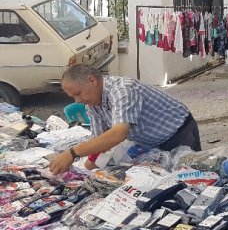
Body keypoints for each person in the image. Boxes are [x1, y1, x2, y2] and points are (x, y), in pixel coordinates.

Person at [49, 65, 201, 174]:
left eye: (78, 93)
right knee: (166, 177)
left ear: (92, 80)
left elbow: (118, 134)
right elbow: (100, 141)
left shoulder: (123, 89)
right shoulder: (93, 104)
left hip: (179, 132)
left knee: (191, 175)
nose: (77, 101)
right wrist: (83, 171)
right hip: (151, 142)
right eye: (73, 97)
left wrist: (72, 153)